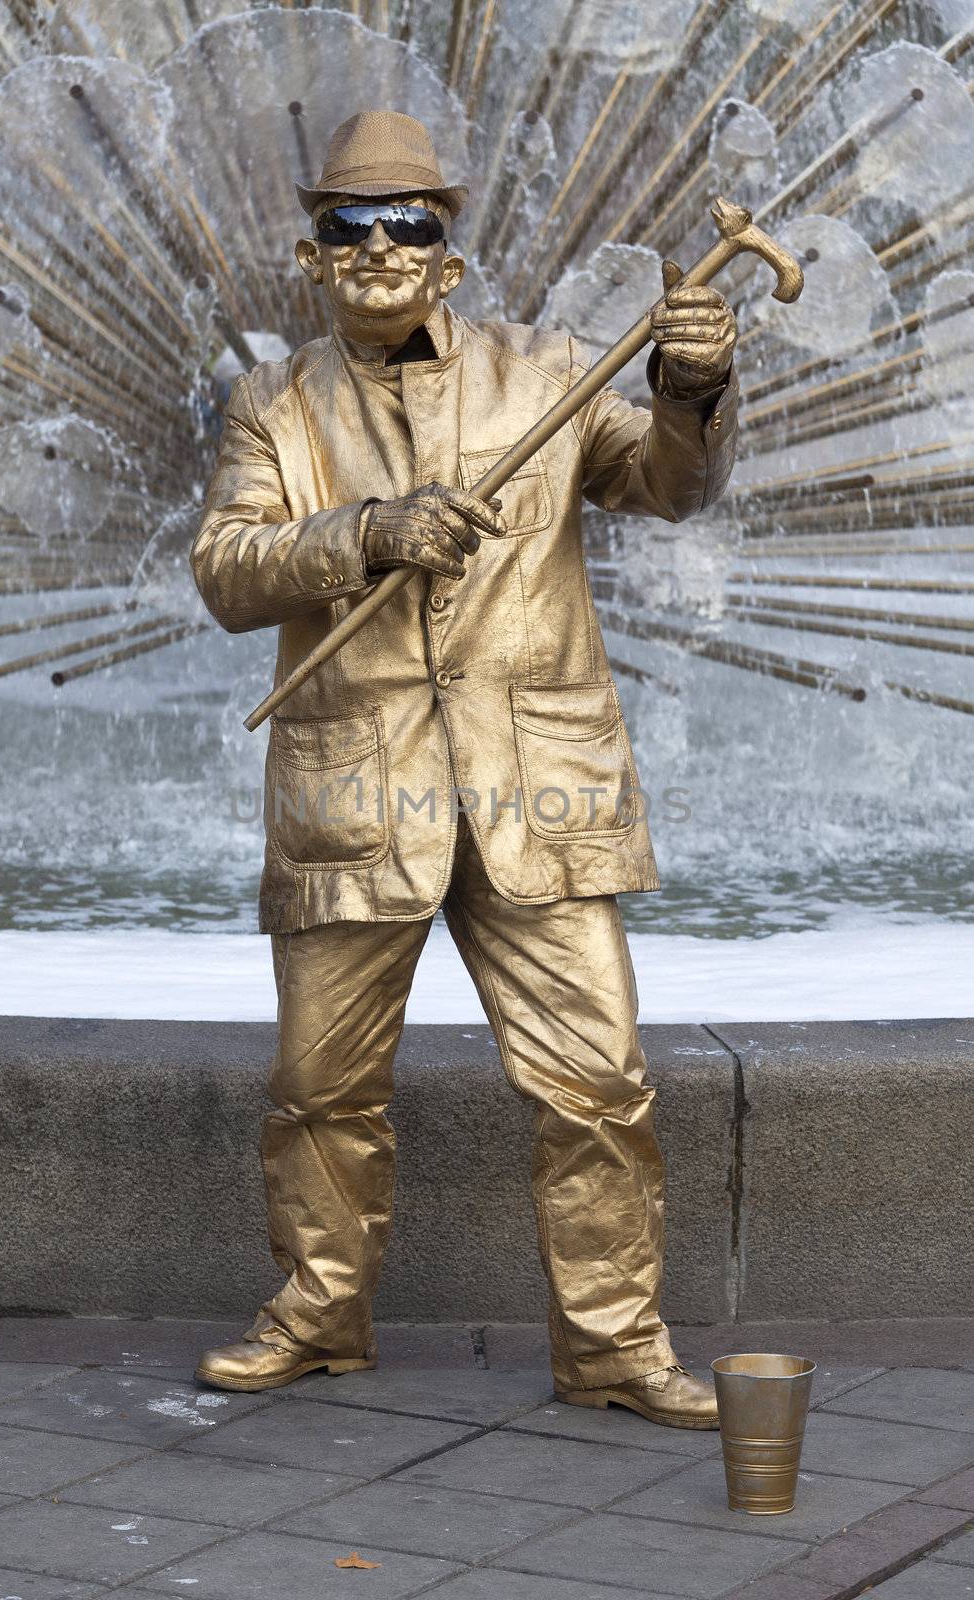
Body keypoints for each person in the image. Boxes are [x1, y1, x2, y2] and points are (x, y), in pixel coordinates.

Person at [190, 110, 738, 1427]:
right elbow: (225, 572)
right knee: (320, 1091)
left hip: (536, 794)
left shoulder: (545, 376)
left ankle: (614, 1344)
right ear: (312, 260)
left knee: (599, 1083)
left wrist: (689, 388)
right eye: (347, 227)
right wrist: (362, 533)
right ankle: (319, 1316)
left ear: (449, 255)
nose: (377, 246)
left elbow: (668, 485)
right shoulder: (275, 403)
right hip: (355, 793)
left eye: (408, 224)